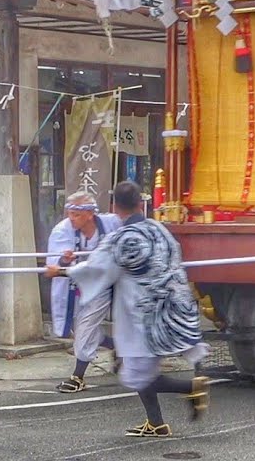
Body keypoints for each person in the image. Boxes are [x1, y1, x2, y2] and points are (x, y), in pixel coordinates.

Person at [46, 181, 209, 438]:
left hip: (142, 314)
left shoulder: (122, 237)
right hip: (171, 306)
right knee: (139, 367)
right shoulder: (160, 229)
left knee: (135, 373)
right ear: (139, 203)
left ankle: (190, 387)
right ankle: (156, 423)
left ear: (114, 207)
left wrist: (61, 271)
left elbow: (96, 269)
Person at [46, 191, 120, 393]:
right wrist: (64, 261)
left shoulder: (110, 223)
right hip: (75, 286)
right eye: (69, 214)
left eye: (76, 214)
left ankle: (77, 376)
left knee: (86, 328)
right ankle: (119, 347)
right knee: (82, 329)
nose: (71, 219)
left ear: (89, 214)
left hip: (104, 285)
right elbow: (52, 266)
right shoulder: (62, 230)